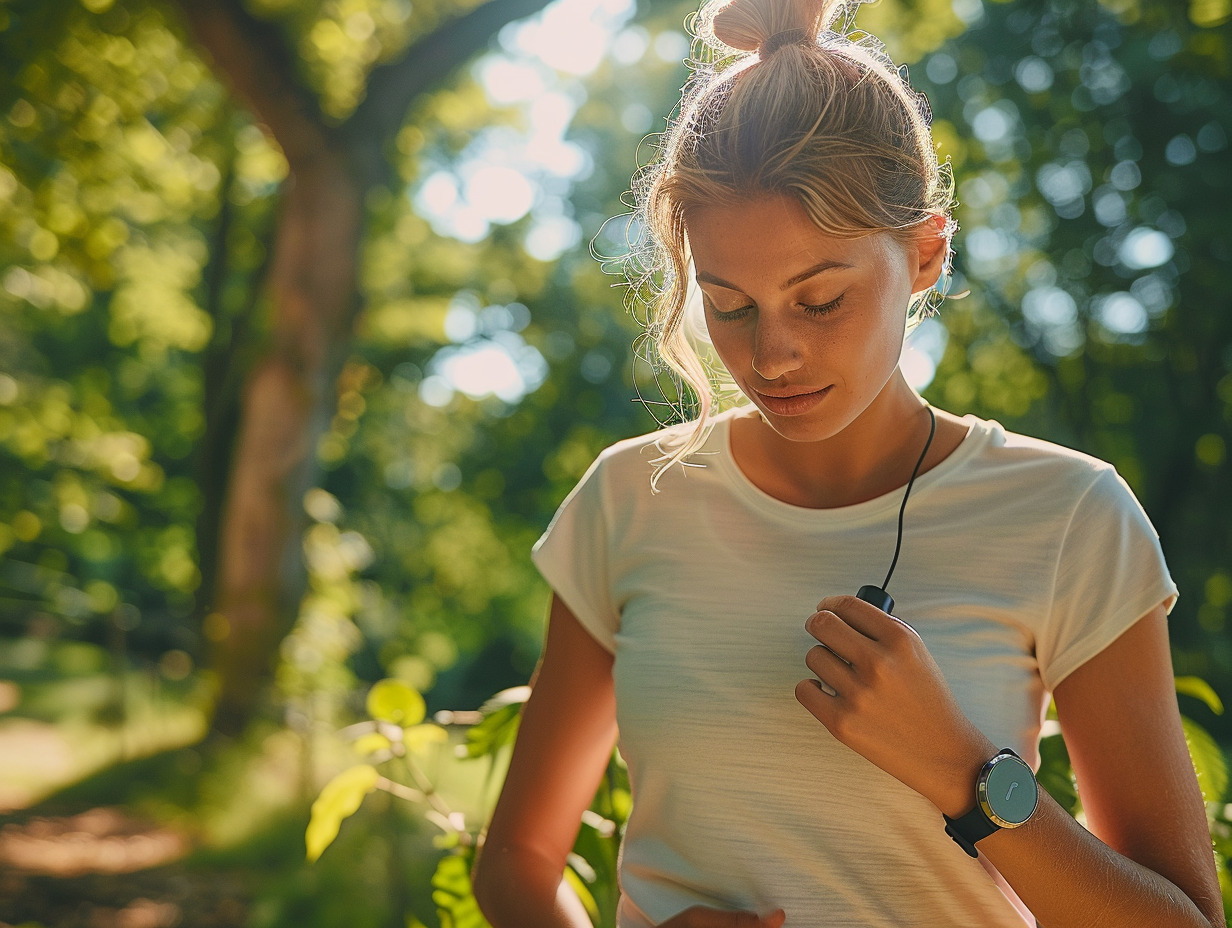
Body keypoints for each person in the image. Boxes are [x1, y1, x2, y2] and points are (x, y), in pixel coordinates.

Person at [470, 0, 1227, 925]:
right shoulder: (629, 500)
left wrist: (963, 772)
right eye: (730, 305)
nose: (770, 356)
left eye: (820, 300)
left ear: (924, 255)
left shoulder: (1070, 516)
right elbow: (515, 858)